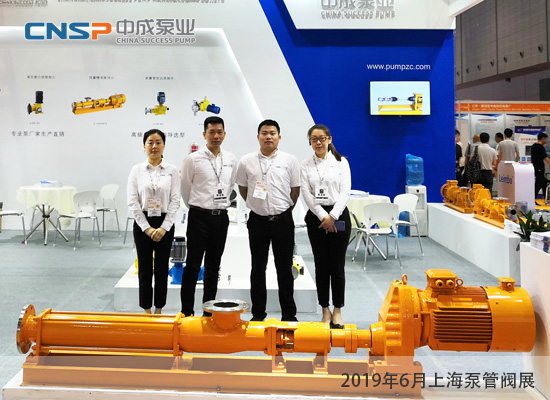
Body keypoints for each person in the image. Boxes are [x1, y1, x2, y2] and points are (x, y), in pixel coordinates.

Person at [236, 119, 300, 322]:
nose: (268, 137)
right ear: (258, 137)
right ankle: (258, 314)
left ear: (279, 137)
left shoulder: (290, 160)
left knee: (285, 268)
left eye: (272, 133)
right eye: (264, 133)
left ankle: (288, 314)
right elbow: (243, 188)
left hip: (283, 220)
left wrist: (285, 208)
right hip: (258, 221)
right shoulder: (246, 161)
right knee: (257, 268)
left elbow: (295, 189)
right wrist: (255, 204)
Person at [180, 116, 237, 317]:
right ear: (204, 134)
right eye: (211, 132)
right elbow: (185, 189)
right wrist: (197, 207)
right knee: (192, 266)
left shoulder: (231, 159)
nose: (216, 136)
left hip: (220, 218)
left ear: (224, 134)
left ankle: (208, 313)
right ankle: (187, 313)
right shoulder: (192, 159)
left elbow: (230, 186)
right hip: (198, 217)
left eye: (219, 132)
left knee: (213, 267)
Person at [300, 124, 351, 329]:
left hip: (339, 215)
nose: (318, 142)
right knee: (321, 266)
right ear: (310, 142)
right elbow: (306, 194)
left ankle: (338, 309)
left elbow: (345, 192)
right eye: (314, 139)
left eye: (322, 138)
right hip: (316, 218)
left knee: (337, 266)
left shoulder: (341, 162)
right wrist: (323, 216)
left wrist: (333, 216)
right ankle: (325, 309)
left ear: (329, 139)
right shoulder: (305, 165)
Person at [127, 129, 180, 314]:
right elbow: (132, 201)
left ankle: (159, 309)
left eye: (158, 142)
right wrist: (147, 228)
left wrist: (164, 228)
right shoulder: (136, 170)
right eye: (150, 142)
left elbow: (175, 200)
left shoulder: (172, 170)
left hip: (165, 222)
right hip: (143, 222)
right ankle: (146, 310)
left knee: (162, 268)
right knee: (144, 268)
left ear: (164, 145)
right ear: (144, 146)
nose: (154, 146)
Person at [531, 132, 550, 197]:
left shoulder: (534, 146)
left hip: (535, 167)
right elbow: (545, 158)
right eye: (545, 139)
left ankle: (546, 198)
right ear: (543, 138)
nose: (546, 141)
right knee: (539, 184)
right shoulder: (540, 147)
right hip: (539, 168)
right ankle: (532, 197)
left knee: (543, 183)